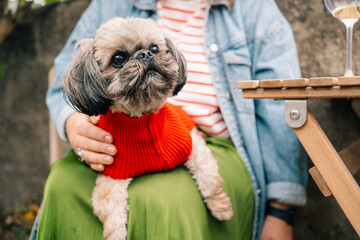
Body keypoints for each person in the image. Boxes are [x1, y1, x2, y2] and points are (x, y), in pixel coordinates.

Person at [36, 0, 308, 239]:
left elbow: (281, 106)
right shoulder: (110, 3)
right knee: (62, 182)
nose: (145, 59)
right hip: (117, 135)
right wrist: (73, 121)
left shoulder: (255, 9)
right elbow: (65, 80)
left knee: (159, 200)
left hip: (209, 142)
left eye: (154, 50)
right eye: (120, 58)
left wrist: (280, 212)